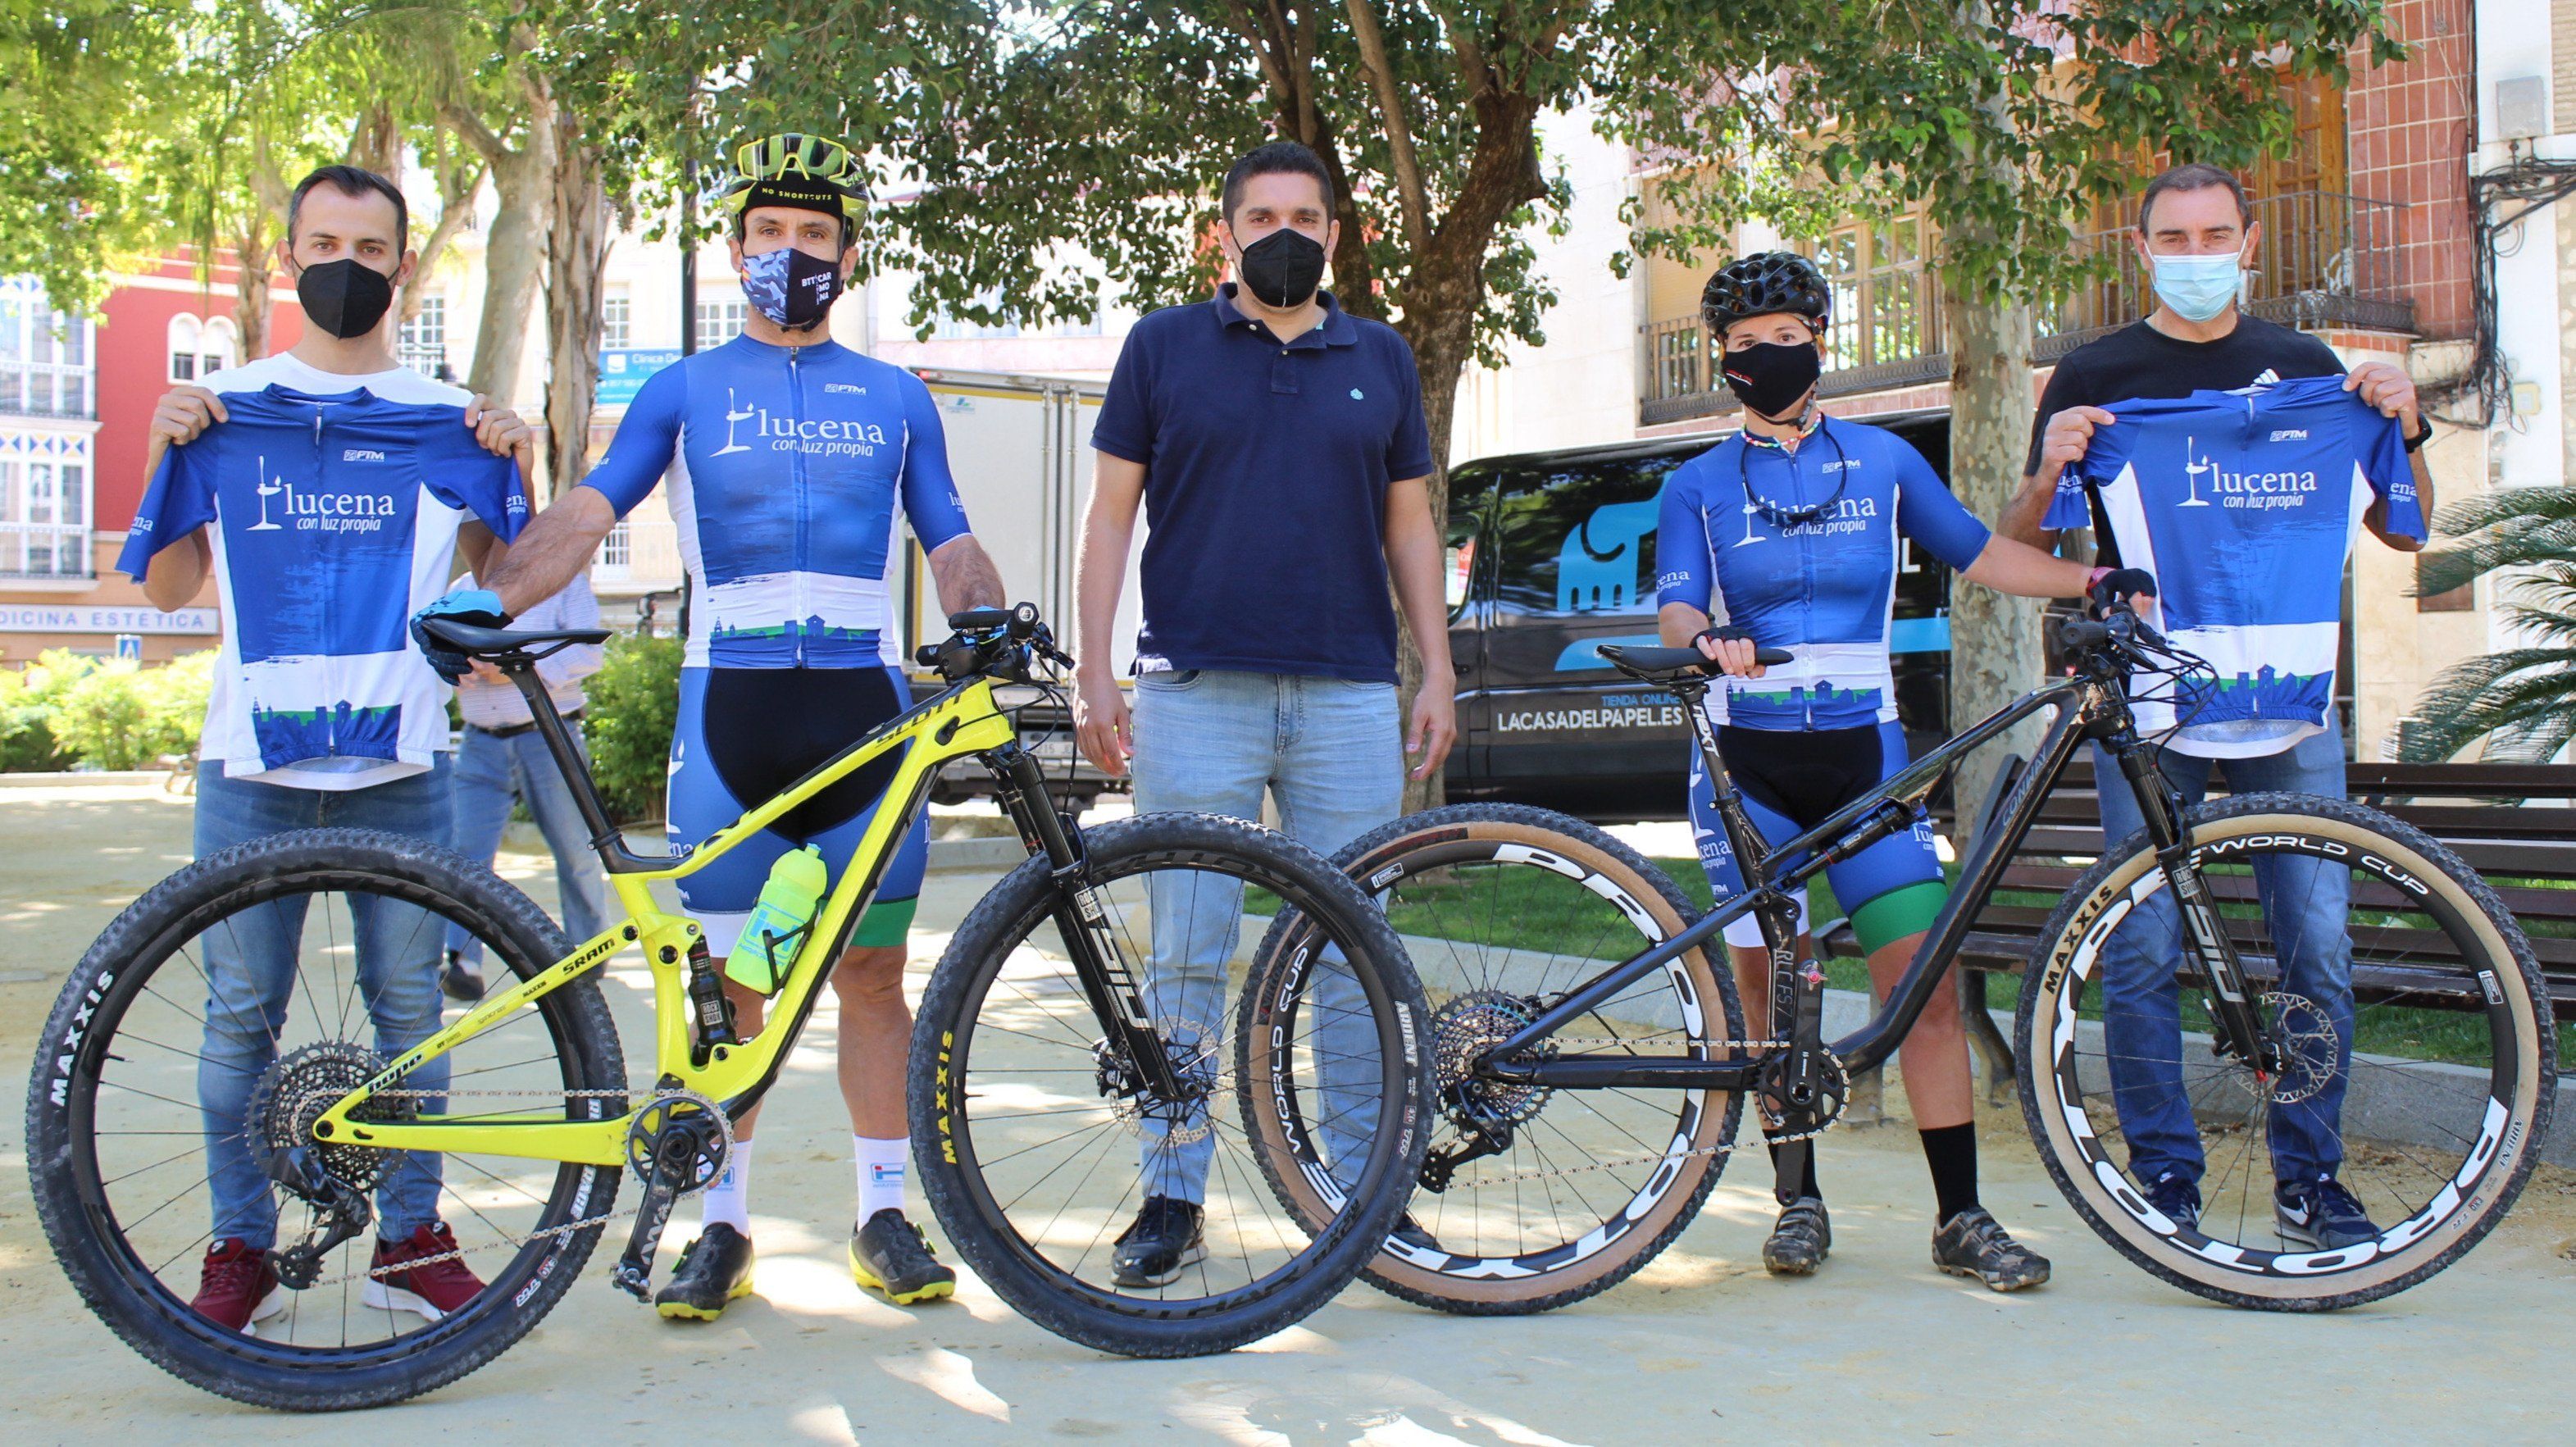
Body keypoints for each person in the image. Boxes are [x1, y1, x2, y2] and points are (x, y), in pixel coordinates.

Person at [414, 130, 1008, 1321]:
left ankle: (883, 1213)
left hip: (862, 717)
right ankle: (720, 1226)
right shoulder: (684, 388)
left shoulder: (894, 396)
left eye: (817, 235)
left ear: (847, 256)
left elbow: (946, 534)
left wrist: (990, 620)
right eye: (771, 233)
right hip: (728, 713)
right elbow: (589, 511)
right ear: (738, 248)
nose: (793, 252)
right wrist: (491, 599)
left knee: (873, 973)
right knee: (732, 990)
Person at [1656, 251, 2147, 1291]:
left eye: (1786, 338)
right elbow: (1676, 606)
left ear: (1820, 342)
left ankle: (1960, 1218)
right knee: (1771, 1002)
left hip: (1865, 763)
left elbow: (1980, 553)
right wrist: (1707, 639)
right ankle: (1797, 1201)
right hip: (1744, 766)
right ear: (1722, 363)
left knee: (1921, 989)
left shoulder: (1882, 461)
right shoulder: (1693, 484)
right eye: (1746, 347)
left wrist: (2091, 578)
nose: (1768, 358)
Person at [123, 163, 535, 1332]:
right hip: (247, 773)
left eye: (368, 246)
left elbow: (501, 590)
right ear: (287, 256)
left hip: (403, 768)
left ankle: (411, 1237)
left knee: (412, 1014)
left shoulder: (441, 417)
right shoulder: (224, 407)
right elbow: (162, 592)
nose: (345, 265)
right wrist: (164, 451)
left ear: (405, 267)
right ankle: (236, 1247)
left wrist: (516, 461)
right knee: (235, 1023)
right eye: (324, 242)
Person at [1998, 164, 2432, 1249]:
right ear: (2140, 251)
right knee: (2139, 948)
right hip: (2148, 703)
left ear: (2247, 242)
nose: (2196, 253)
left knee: (2314, 947)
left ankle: (2309, 1175)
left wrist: (2403, 427)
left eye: (2215, 234)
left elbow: (2403, 533)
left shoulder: (2303, 369)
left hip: (2288, 701)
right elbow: (2018, 545)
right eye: (2173, 238)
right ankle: (2165, 1175)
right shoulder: (2095, 375)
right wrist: (2049, 463)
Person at [1071, 139, 1457, 1286]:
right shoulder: (1161, 346)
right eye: (1261, 213)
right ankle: (1172, 1195)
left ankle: (1360, 1195)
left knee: (1354, 956)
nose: (1283, 229)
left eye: (1306, 213)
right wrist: (1094, 668)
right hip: (1196, 689)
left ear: (1336, 235)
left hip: (1346, 694)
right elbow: (1108, 520)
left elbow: (1410, 528)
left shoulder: (1378, 357)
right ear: (1222, 232)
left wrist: (1434, 666)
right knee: (1186, 951)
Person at [438, 568, 612, 1003]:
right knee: (464, 855)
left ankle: (587, 950)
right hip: (481, 740)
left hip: (548, 734)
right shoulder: (461, 590)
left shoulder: (562, 581)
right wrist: (459, 668)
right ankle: (463, 960)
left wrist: (516, 668)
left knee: (575, 849)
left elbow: (590, 651)